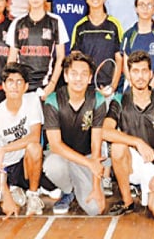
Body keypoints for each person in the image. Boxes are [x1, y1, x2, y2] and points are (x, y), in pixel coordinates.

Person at [103, 50, 154, 217]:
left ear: (151, 74)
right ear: (129, 75)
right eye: (135, 71)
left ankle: (149, 190)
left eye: (144, 71)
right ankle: (127, 201)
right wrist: (137, 142)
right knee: (118, 147)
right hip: (132, 162)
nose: (140, 76)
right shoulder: (119, 100)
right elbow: (105, 131)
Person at [42, 51, 106, 216]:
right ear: (65, 75)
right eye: (74, 73)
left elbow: (96, 145)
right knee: (52, 165)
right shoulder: (53, 100)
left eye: (84, 74)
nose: (79, 78)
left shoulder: (97, 99)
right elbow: (55, 145)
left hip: (87, 156)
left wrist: (96, 187)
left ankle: (83, 186)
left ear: (90, 78)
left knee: (95, 209)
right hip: (63, 157)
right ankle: (68, 190)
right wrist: (89, 163)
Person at [0, 63, 46, 217]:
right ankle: (13, 189)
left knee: (35, 148)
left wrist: (5, 148)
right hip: (8, 168)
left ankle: (33, 195)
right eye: (10, 82)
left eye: (19, 82)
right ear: (3, 86)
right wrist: (6, 198)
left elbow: (35, 136)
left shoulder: (33, 101)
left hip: (26, 163)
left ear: (26, 86)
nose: (15, 86)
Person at [7, 0, 68, 99]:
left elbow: (61, 56)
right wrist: (13, 85)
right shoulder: (17, 23)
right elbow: (12, 59)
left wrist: (51, 85)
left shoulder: (56, 21)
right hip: (21, 87)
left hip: (45, 86)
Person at [71, 0, 124, 96]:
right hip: (86, 89)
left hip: (109, 88)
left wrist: (112, 87)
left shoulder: (114, 25)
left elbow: (119, 59)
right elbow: (75, 61)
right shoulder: (80, 27)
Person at [121, 0, 154, 93]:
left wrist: (149, 88)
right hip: (132, 90)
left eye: (149, 5)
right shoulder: (129, 34)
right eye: (141, 5)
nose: (145, 8)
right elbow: (126, 66)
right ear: (136, 8)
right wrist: (135, 88)